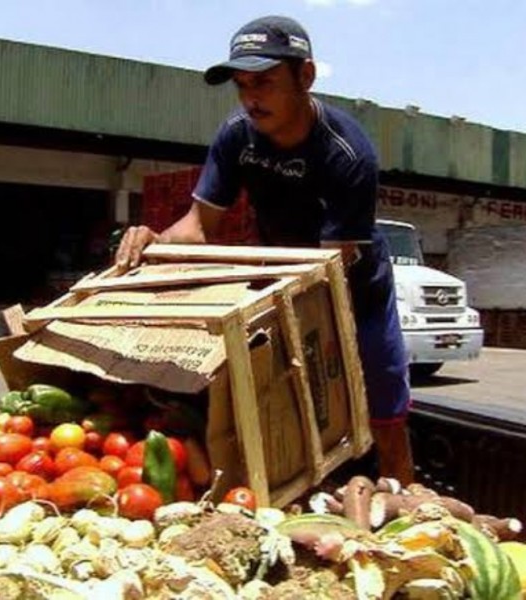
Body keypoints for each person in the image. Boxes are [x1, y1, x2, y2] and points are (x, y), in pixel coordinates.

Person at [115, 15, 415, 484]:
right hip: (279, 275)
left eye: (265, 83)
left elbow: (333, 261)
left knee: (382, 404)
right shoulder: (237, 134)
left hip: (354, 284)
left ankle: (407, 498)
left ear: (306, 76)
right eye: (241, 85)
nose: (251, 98)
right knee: (282, 403)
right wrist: (156, 242)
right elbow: (198, 225)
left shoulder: (348, 152)